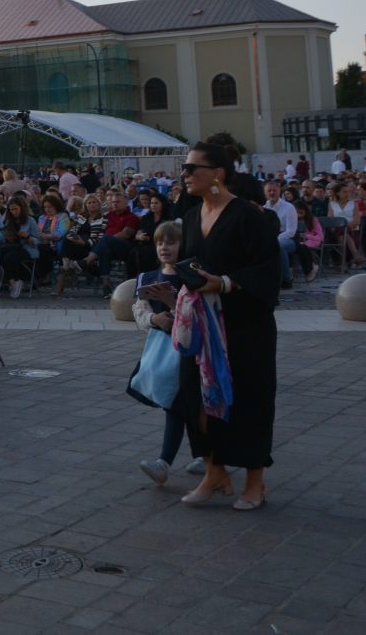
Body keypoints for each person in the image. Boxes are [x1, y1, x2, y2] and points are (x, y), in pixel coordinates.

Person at [139, 143, 279, 511]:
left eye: (191, 168)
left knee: (249, 398)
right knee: (195, 396)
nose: (184, 174)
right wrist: (175, 296)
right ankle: (214, 472)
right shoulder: (190, 215)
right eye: (183, 168)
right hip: (201, 325)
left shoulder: (247, 215)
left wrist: (226, 283)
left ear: (217, 173)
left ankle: (255, 481)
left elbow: (269, 271)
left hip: (245, 324)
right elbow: (191, 268)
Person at [134, 220, 205, 486]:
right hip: (162, 348)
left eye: (171, 242)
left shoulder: (193, 277)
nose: (164, 247)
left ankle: (168, 462)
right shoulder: (148, 277)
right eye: (160, 243)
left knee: (184, 403)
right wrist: (154, 319)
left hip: (191, 350)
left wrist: (172, 305)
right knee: (178, 403)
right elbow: (139, 310)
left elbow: (198, 316)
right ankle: (202, 455)